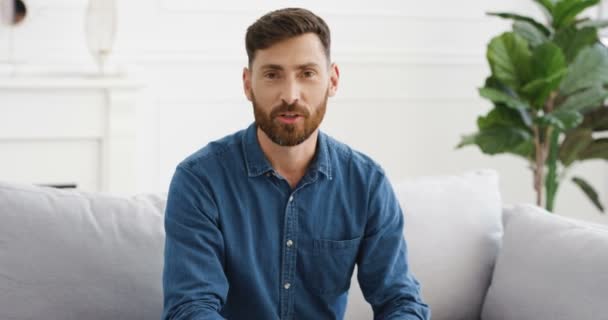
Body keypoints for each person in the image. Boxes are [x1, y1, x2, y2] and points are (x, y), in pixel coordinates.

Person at [162, 7, 430, 320]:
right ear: (248, 84)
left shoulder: (366, 183)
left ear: (332, 80)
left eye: (307, 73)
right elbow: (191, 308)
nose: (290, 95)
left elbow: (400, 302)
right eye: (273, 74)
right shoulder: (199, 181)